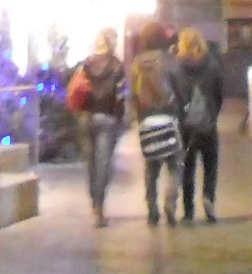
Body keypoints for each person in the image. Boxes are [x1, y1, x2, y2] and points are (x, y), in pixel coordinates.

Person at [169, 27, 225, 223]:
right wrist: (212, 115)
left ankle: (189, 211)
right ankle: (208, 199)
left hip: (185, 125)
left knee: (187, 166)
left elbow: (173, 96)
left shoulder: (175, 67)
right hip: (207, 123)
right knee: (210, 165)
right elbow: (219, 94)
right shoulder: (212, 64)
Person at [71, 29, 127, 226]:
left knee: (91, 164)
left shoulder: (85, 64)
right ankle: (100, 208)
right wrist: (121, 119)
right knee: (104, 164)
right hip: (108, 118)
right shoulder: (117, 65)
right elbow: (121, 96)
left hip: (86, 118)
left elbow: (76, 90)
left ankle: (94, 202)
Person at [128, 43, 182, 227]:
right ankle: (170, 205)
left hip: (146, 120)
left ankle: (152, 211)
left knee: (151, 168)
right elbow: (179, 89)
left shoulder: (136, 64)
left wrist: (138, 116)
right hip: (167, 118)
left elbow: (132, 93)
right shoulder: (169, 61)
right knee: (174, 166)